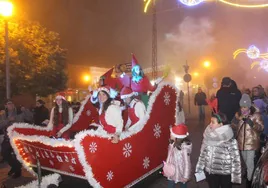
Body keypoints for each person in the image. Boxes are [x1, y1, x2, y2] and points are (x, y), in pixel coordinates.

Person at [196, 112, 241, 188]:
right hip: (211, 172)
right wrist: (199, 168)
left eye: (213, 122)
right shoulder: (208, 135)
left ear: (221, 124)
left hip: (225, 173)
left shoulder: (229, 139)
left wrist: (236, 176)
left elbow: (236, 159)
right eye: (210, 121)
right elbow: (203, 153)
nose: (210, 124)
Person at [231, 94, 264, 188]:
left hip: (252, 144)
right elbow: (233, 125)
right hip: (241, 143)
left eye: (245, 107)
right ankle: (250, 176)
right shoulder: (238, 115)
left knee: (249, 163)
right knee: (245, 162)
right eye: (241, 107)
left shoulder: (256, 115)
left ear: (249, 106)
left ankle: (249, 183)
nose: (243, 109)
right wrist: (237, 122)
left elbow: (261, 128)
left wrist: (252, 124)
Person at [0, 100, 33, 178]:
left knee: (16, 155)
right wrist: (8, 120)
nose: (10, 105)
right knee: (5, 153)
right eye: (8, 104)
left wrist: (25, 111)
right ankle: (15, 167)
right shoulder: (3, 114)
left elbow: (30, 118)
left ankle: (18, 171)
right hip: (7, 137)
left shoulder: (19, 112)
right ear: (6, 106)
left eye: (11, 103)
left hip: (17, 137)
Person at [163, 124, 192, 188]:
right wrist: (166, 167)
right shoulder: (172, 144)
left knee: (183, 185)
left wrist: (186, 176)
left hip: (181, 171)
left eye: (171, 133)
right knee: (170, 185)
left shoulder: (184, 148)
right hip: (172, 170)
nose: (170, 135)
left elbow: (187, 163)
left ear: (177, 136)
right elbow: (169, 156)